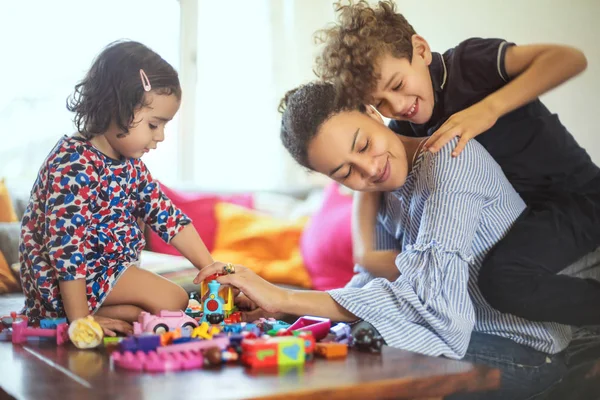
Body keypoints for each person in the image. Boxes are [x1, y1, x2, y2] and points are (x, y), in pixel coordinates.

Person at [195, 81, 600, 399]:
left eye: (364, 144)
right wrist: (278, 310)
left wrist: (282, 296)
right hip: (465, 335)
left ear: (372, 112)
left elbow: (424, 299)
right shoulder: (387, 187)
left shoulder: (450, 162)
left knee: (361, 360)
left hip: (526, 350)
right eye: (344, 172)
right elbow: (370, 285)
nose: (369, 170)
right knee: (329, 349)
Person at [314, 0, 600, 326]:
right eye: (380, 102)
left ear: (420, 50)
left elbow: (569, 59)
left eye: (397, 85)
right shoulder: (405, 127)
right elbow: (370, 183)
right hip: (528, 217)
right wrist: (363, 253)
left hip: (577, 197)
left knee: (503, 279)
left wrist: (488, 110)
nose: (397, 105)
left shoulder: (469, 64)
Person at [19, 40, 229, 336]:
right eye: (154, 125)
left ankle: (92, 315)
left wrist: (210, 268)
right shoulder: (73, 163)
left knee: (153, 315)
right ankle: (73, 317)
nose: (161, 137)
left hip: (104, 277)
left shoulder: (130, 165)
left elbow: (166, 216)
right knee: (175, 300)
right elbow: (66, 248)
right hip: (66, 283)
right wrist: (80, 322)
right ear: (115, 107)